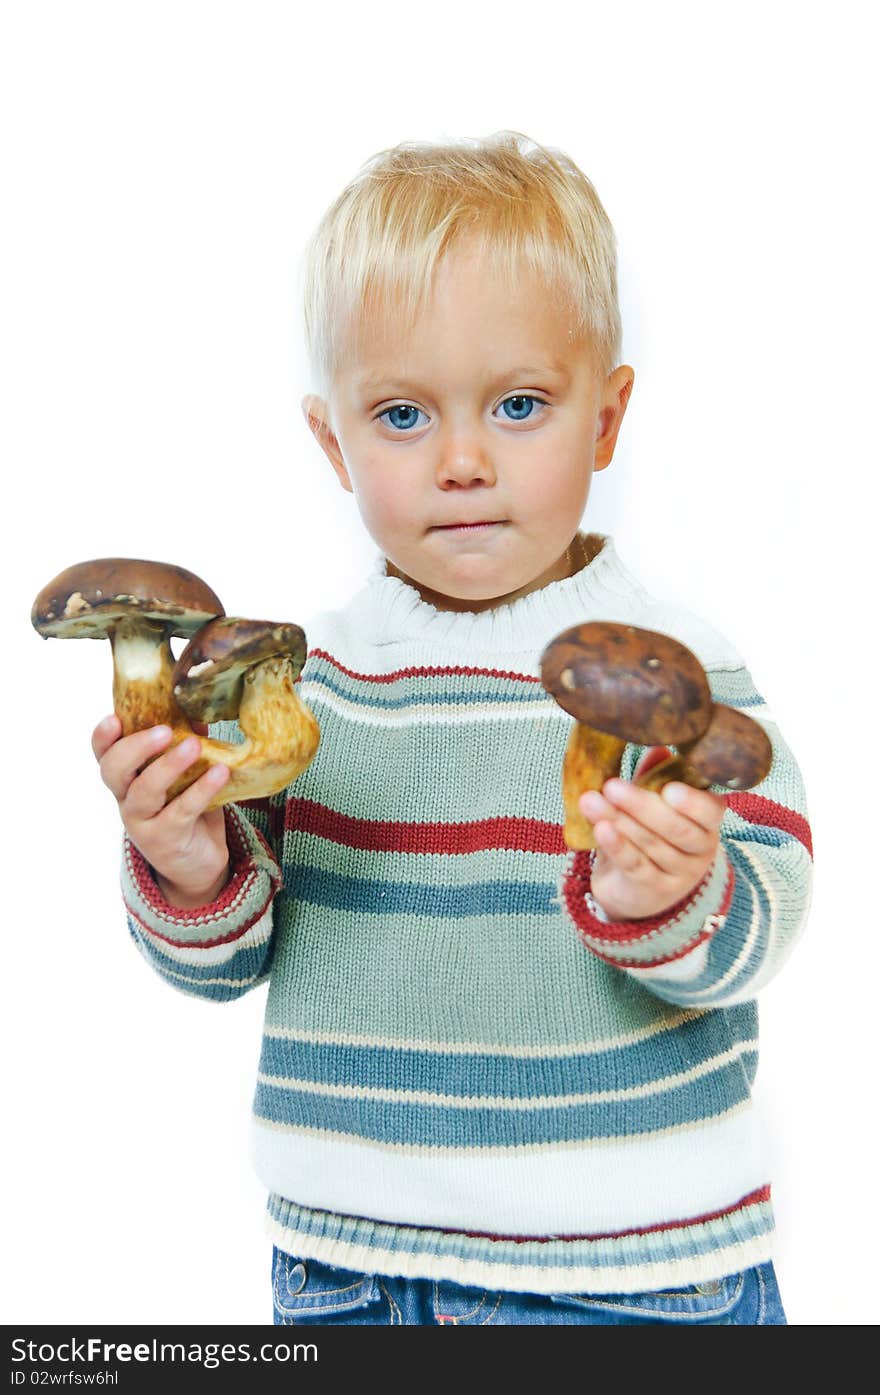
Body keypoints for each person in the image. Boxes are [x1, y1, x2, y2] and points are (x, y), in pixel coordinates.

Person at [93, 131, 811, 1325]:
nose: (464, 462)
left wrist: (671, 896)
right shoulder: (302, 677)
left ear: (607, 418)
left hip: (630, 1272)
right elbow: (220, 962)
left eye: (519, 404)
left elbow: (771, 908)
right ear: (333, 443)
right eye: (403, 415)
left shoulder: (667, 668)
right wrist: (188, 862)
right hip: (346, 1270)